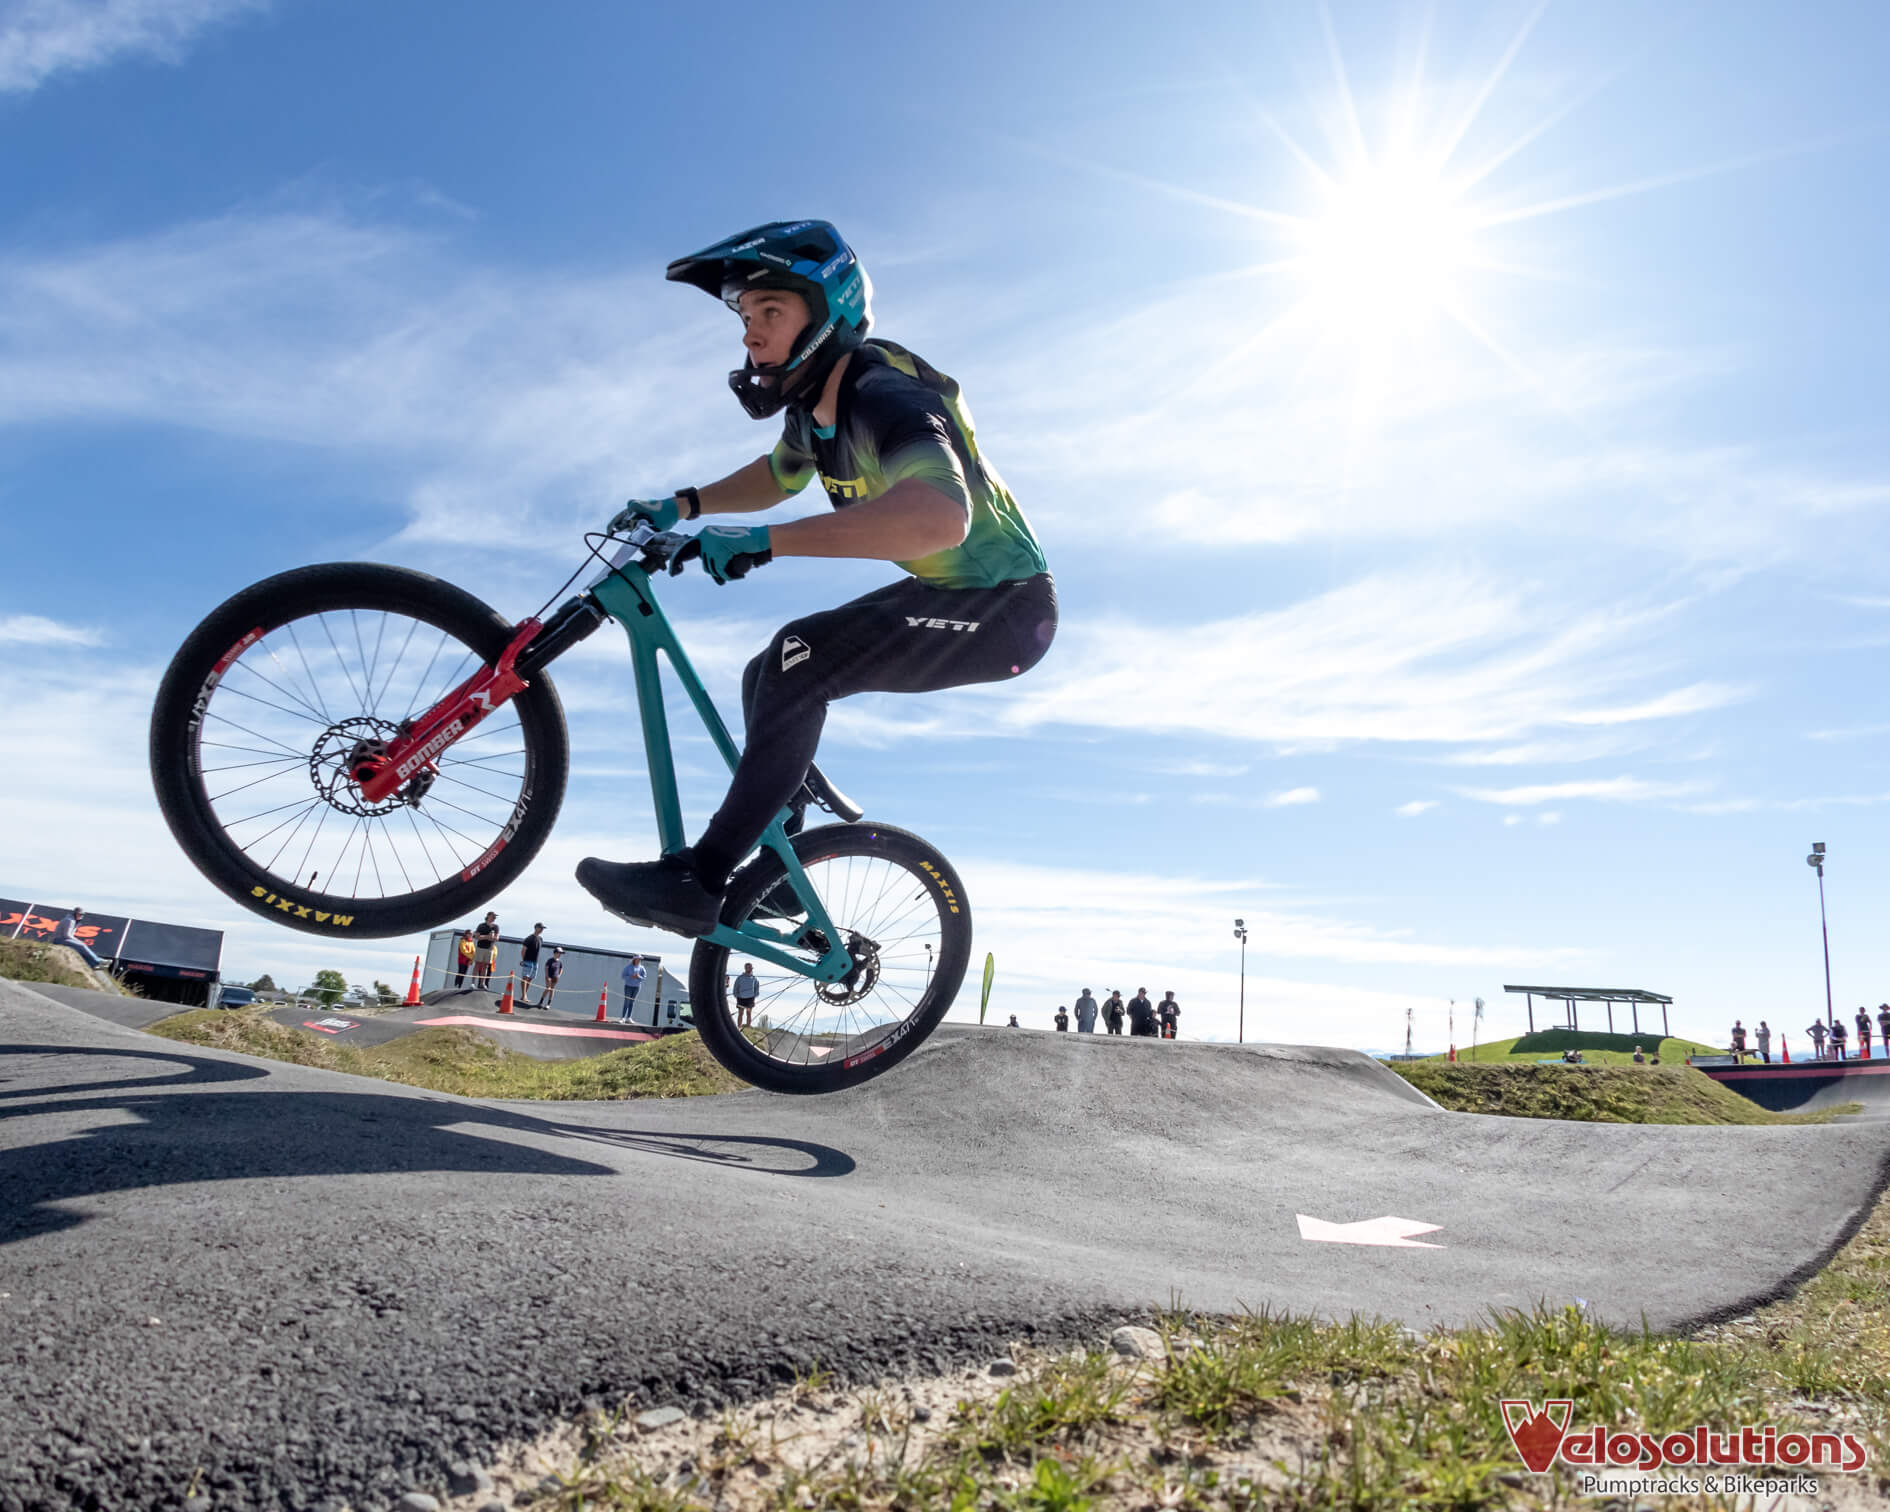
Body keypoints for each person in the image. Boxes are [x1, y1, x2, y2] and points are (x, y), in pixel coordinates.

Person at [573, 222, 1057, 936]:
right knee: (769, 666)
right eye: (745, 317)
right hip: (953, 594)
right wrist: (684, 504)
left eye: (771, 312)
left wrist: (767, 544)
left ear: (828, 315)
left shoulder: (886, 397)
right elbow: (775, 476)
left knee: (802, 663)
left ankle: (698, 879)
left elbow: (937, 519)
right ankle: (784, 868)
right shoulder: (816, 415)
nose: (751, 336)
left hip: (1006, 611)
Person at [520, 923, 546, 1006]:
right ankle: (524, 995)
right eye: (540, 928)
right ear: (536, 928)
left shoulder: (541, 939)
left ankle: (524, 995)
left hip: (535, 962)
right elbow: (523, 950)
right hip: (528, 960)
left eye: (543, 928)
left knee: (530, 978)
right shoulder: (529, 938)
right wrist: (523, 960)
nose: (542, 930)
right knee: (525, 978)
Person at [473, 912, 499, 990]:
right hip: (480, 947)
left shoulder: (496, 927)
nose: (494, 917)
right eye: (493, 916)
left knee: (486, 966)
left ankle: (482, 983)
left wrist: (493, 937)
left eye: (495, 916)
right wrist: (487, 936)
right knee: (477, 964)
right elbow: (477, 937)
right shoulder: (481, 926)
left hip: (490, 948)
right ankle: (473, 983)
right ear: (488, 916)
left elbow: (497, 938)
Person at [620, 954, 647, 1024]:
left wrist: (638, 977)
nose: (639, 960)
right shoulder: (628, 967)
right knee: (627, 1002)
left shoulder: (642, 968)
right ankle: (623, 1018)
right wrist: (631, 977)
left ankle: (629, 1018)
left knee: (632, 1002)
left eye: (640, 959)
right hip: (628, 986)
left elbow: (644, 977)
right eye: (637, 959)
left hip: (637, 987)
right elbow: (623, 976)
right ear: (634, 960)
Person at [733, 961, 760, 1027]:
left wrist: (755, 995)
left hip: (750, 998)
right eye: (749, 968)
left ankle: (748, 1026)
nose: (750, 969)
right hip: (741, 998)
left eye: (751, 968)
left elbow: (757, 987)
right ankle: (739, 1026)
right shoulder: (740, 977)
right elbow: (736, 986)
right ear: (745, 968)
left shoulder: (754, 978)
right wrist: (736, 995)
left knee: (749, 1013)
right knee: (740, 1013)